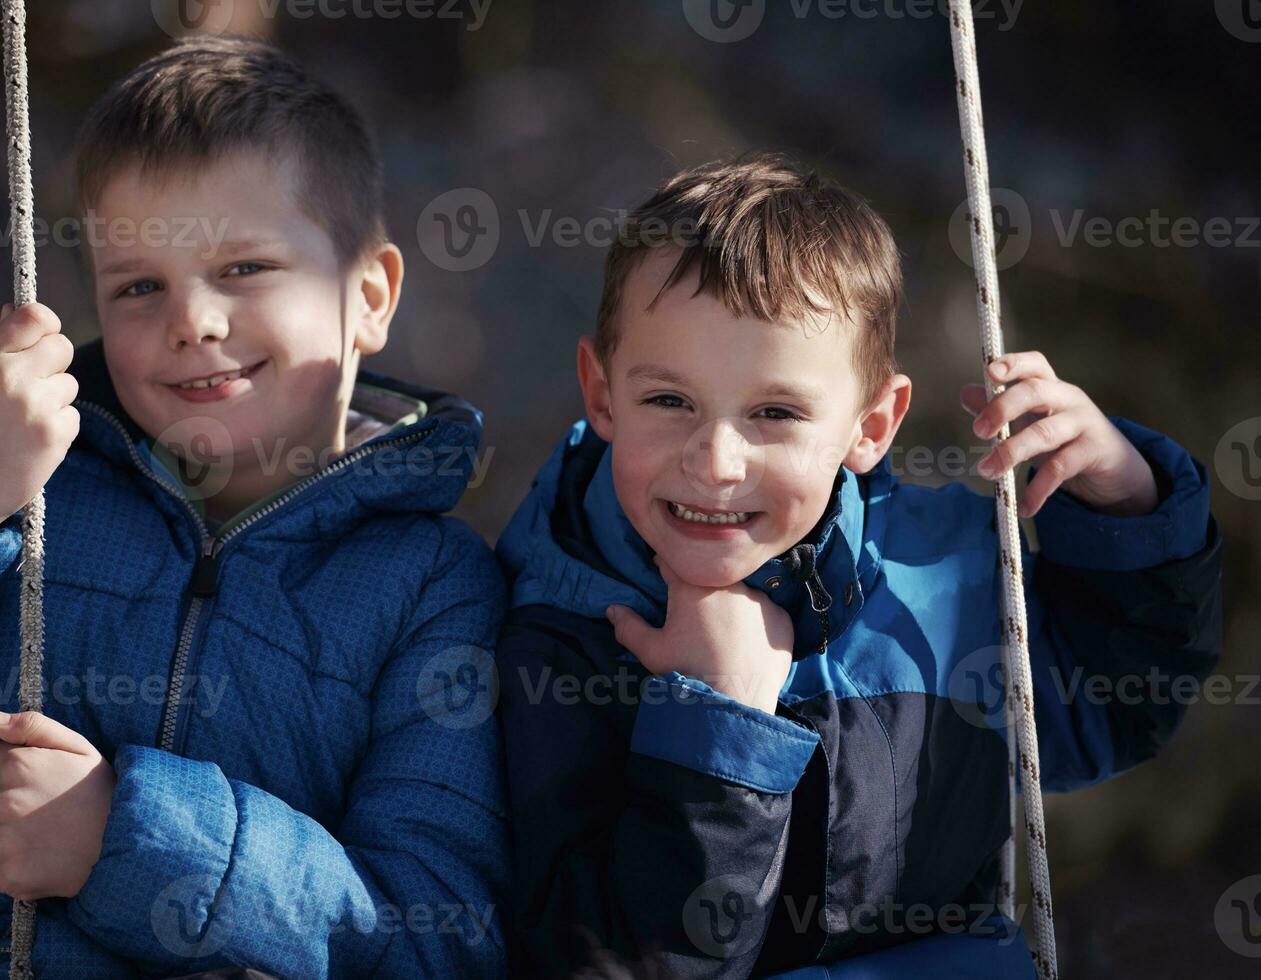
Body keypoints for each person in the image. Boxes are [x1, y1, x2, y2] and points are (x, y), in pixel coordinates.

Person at [0, 36, 507, 979]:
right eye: (139, 285)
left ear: (368, 296)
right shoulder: (25, 493)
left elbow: (433, 944)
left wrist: (128, 836)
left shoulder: (434, 588)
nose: (191, 321)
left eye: (246, 268)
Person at [493, 153, 1224, 978]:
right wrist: (713, 724)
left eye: (774, 412)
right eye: (669, 401)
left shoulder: (948, 571)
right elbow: (597, 962)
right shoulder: (555, 638)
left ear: (871, 424)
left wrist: (1124, 501)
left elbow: (1117, 706)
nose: (716, 459)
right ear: (601, 394)